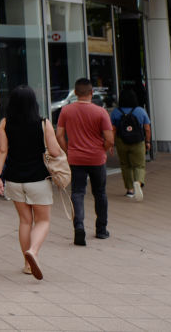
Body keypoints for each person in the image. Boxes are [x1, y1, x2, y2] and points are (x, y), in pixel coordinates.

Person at [0, 85, 62, 280]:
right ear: (34, 102)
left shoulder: (5, 123)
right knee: (43, 220)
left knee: (25, 221)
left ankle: (27, 264)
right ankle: (33, 251)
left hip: (14, 179)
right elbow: (55, 152)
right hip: (38, 179)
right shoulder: (43, 123)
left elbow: (2, 151)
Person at [56, 77, 114, 246]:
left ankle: (79, 226)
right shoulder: (101, 112)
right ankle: (101, 229)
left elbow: (59, 135)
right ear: (91, 92)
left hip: (76, 158)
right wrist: (102, 148)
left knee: (78, 192)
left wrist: (68, 150)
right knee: (100, 193)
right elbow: (109, 138)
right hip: (97, 159)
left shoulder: (66, 111)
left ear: (75, 93)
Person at [110, 89, 151, 201]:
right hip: (138, 141)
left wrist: (111, 144)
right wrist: (147, 142)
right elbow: (147, 128)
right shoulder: (140, 111)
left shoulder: (116, 112)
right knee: (139, 165)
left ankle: (130, 190)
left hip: (121, 141)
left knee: (125, 165)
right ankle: (137, 182)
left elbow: (112, 130)